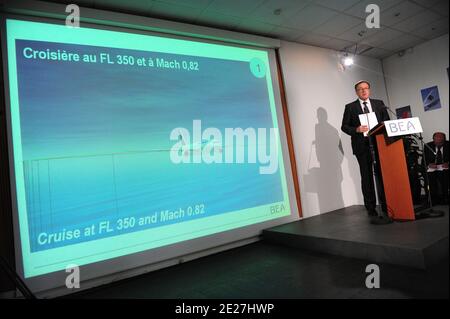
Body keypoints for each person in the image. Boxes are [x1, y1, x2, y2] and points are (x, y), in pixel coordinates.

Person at [341, 80, 390, 217]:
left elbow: (387, 122)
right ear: (356, 92)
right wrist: (356, 129)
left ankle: (386, 204)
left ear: (369, 90)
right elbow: (344, 126)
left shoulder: (379, 104)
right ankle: (371, 207)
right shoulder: (350, 107)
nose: (364, 91)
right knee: (367, 177)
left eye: (366, 88)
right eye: (360, 89)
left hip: (379, 145)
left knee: (382, 176)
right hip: (362, 147)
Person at [424, 132, 449, 204]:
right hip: (433, 168)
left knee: (444, 175)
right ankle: (432, 198)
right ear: (433, 140)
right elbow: (424, 159)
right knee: (429, 177)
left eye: (440, 142)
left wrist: (448, 164)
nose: (438, 144)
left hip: (445, 167)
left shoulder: (448, 145)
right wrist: (429, 164)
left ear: (444, 140)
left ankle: (445, 197)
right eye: (436, 142)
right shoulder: (428, 146)